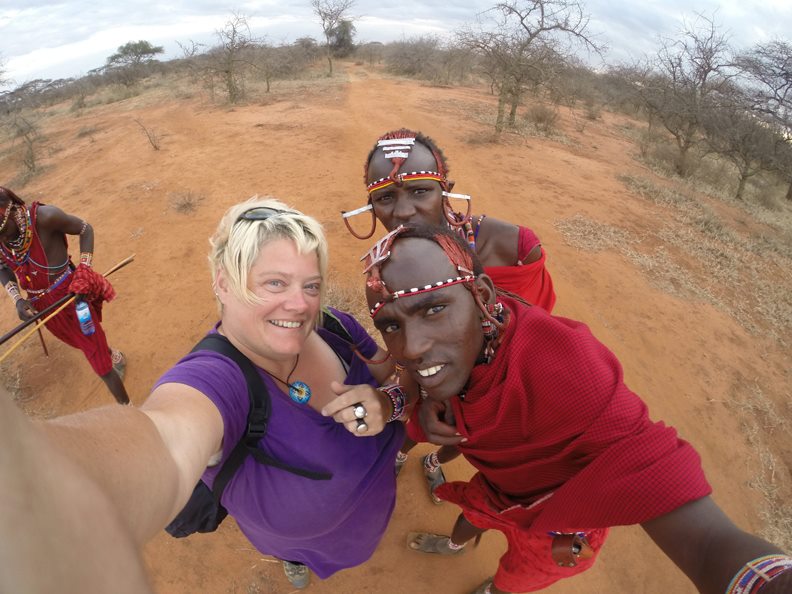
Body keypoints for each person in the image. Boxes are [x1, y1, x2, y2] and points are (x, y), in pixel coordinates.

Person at [0, 197, 412, 592]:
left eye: (311, 286)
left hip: (373, 509)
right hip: (307, 538)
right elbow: (167, 437)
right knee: (299, 551)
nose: (300, 305)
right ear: (223, 282)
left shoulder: (332, 325)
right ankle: (295, 559)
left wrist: (388, 401)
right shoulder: (218, 379)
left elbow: (388, 370)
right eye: (275, 282)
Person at [360, 224, 792, 594]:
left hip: (556, 524)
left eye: (433, 309)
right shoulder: (455, 349)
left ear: (482, 295)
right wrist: (424, 396)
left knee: (517, 577)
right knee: (474, 516)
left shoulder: (568, 368)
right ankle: (456, 546)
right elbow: (413, 365)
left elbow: (705, 541)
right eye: (391, 326)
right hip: (496, 490)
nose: (411, 347)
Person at [343, 129, 556, 501]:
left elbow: (531, 335)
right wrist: (413, 395)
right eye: (385, 198)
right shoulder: (388, 263)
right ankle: (400, 453)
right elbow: (410, 344)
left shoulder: (515, 249)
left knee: (459, 436)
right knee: (417, 427)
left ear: (447, 189)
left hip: (494, 392)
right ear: (371, 205)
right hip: (431, 377)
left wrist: (463, 397)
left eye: (421, 190)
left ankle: (436, 462)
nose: (404, 211)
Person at [0, 186, 129, 404]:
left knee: (99, 362)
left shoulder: (45, 217)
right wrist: (18, 300)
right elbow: (2, 268)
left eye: (3, 232)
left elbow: (86, 229)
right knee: (81, 340)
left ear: (11, 211)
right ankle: (112, 354)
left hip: (73, 298)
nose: (1, 240)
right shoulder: (2, 240)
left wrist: (84, 272)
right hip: (42, 306)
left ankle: (129, 409)